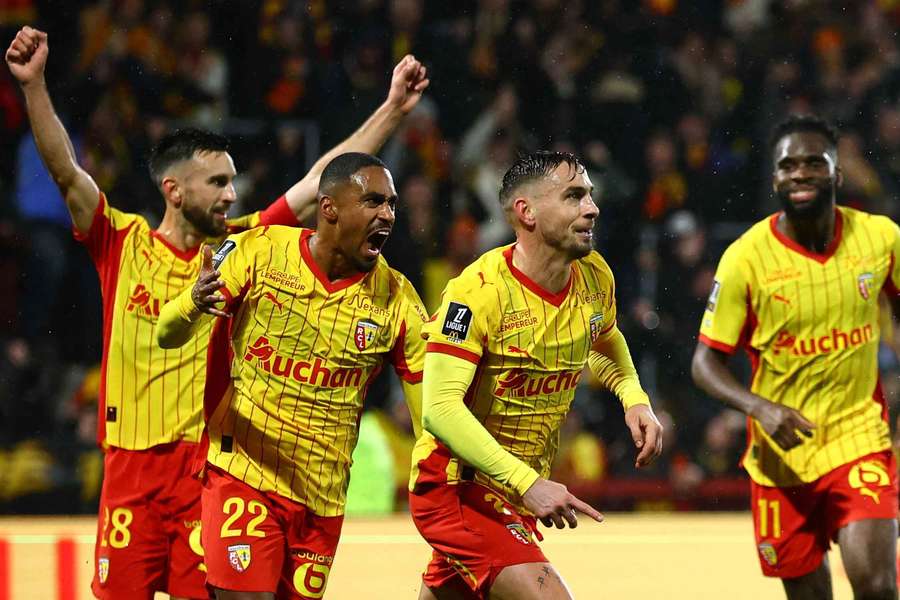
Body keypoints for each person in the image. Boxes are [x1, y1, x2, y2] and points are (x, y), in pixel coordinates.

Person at [5, 25, 428, 600]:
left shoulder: (243, 245)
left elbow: (320, 183)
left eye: (233, 181)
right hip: (131, 469)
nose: (233, 195)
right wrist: (33, 87)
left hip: (208, 468)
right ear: (174, 190)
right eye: (219, 182)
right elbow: (65, 173)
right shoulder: (120, 241)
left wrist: (392, 109)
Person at [156, 152, 428, 599]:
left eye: (392, 204)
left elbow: (429, 417)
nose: (388, 214)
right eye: (374, 201)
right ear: (329, 208)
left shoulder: (398, 300)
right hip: (242, 471)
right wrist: (192, 302)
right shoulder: (259, 252)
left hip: (320, 499)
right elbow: (167, 333)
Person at [408, 151, 664, 599]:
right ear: (526, 212)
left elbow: (604, 340)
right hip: (456, 486)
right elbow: (440, 409)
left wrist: (633, 396)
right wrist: (528, 484)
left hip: (514, 487)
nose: (592, 207)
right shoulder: (476, 293)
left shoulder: (594, 275)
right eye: (573, 196)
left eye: (589, 195)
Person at [691, 114, 899, 600]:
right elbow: (705, 362)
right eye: (788, 165)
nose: (800, 173)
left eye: (814, 163)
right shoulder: (746, 258)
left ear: (837, 174)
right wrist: (761, 408)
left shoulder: (881, 239)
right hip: (780, 460)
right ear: (775, 178)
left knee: (877, 585)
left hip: (858, 437)